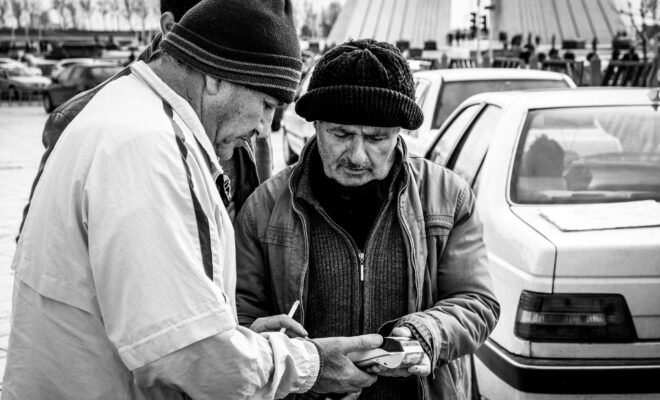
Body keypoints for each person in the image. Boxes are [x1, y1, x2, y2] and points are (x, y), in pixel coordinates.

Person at [3, 1, 384, 398]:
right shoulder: (149, 145)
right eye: (267, 105)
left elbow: (153, 320)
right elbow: (183, 352)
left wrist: (238, 338)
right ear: (217, 77)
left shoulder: (127, 113)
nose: (262, 129)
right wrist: (309, 364)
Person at [234, 39, 501, 399]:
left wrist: (428, 333)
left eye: (377, 138)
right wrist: (269, 343)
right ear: (315, 125)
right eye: (342, 135)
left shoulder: (448, 197)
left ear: (399, 133)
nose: (358, 156)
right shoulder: (263, 208)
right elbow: (237, 319)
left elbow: (476, 301)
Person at [17, 0, 270, 241]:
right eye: (217, 32)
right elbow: (43, 246)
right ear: (171, 29)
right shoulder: (82, 118)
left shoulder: (240, 102)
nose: (229, 53)